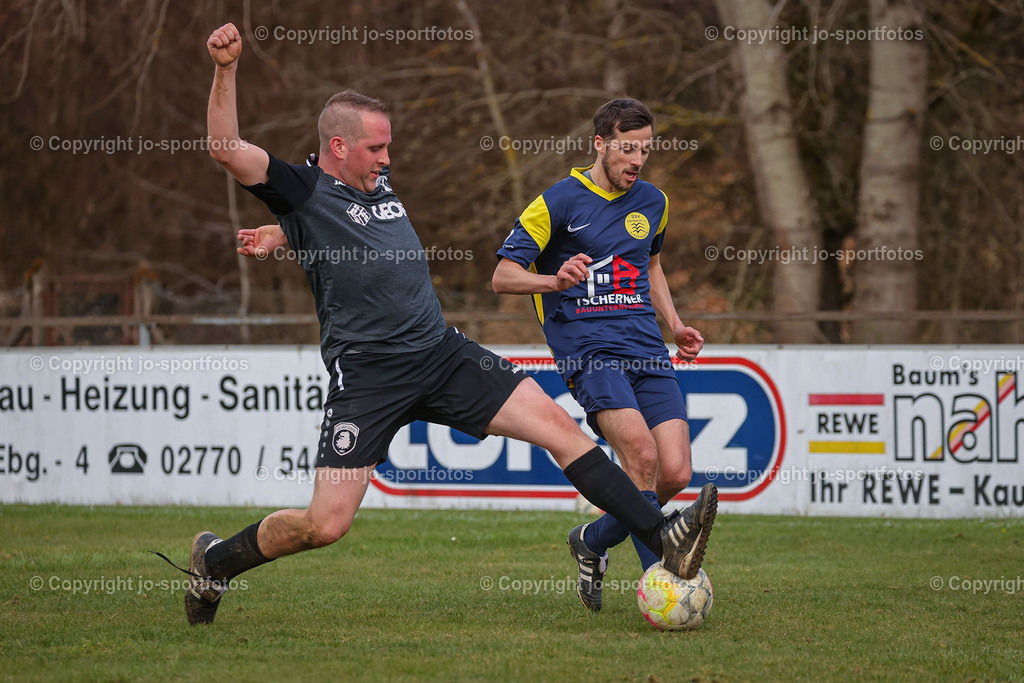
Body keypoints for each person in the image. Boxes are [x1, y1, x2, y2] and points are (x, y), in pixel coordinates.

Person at [177, 23, 717, 627]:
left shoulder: (368, 182)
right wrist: (226, 70)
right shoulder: (303, 188)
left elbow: (338, 227)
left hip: (442, 354)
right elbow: (227, 149)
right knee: (324, 524)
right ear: (337, 149)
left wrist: (285, 233)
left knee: (566, 434)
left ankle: (664, 536)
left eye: (387, 146)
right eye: (376, 148)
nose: (388, 158)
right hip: (370, 375)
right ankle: (216, 563)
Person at [491, 98, 712, 612]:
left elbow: (650, 266)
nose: (638, 160)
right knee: (641, 457)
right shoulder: (557, 203)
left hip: (646, 348)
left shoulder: (653, 201)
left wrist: (674, 325)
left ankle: (590, 541)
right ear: (600, 143)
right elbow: (502, 277)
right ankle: (662, 578)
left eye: (646, 150)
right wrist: (554, 278)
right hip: (589, 350)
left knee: (674, 473)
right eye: (629, 148)